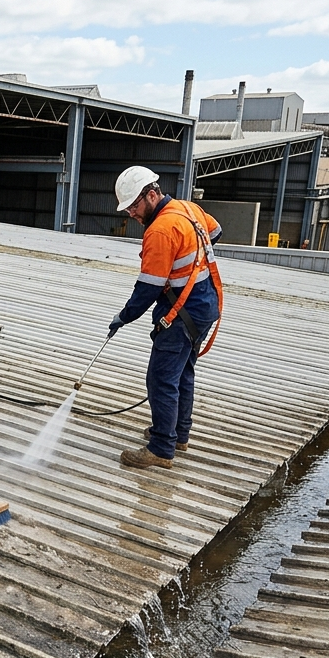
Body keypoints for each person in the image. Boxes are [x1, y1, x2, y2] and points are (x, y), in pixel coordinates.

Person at [108, 166, 224, 469]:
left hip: (180, 312)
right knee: (182, 374)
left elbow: (148, 287)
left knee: (161, 379)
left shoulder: (160, 229)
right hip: (204, 305)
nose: (132, 213)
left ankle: (161, 447)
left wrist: (124, 316)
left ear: (151, 194)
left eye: (134, 206)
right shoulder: (187, 208)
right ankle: (178, 435)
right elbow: (215, 232)